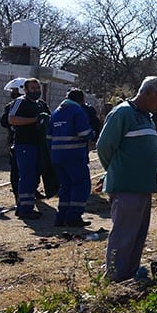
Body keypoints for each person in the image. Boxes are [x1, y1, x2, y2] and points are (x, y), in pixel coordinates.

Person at [96, 76, 157, 281]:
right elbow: (104, 147)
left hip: (143, 186)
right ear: (146, 92)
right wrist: (114, 171)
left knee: (138, 233)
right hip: (126, 186)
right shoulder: (123, 113)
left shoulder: (147, 116)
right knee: (124, 233)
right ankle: (115, 277)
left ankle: (130, 273)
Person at [47, 89, 94, 227]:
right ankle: (74, 216)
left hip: (57, 155)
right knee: (81, 185)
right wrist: (92, 134)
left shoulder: (55, 113)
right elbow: (84, 132)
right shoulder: (77, 111)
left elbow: (48, 137)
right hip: (73, 154)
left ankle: (61, 217)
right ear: (82, 100)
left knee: (65, 186)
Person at [7, 78, 50, 219]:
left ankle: (28, 205)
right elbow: (12, 120)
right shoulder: (21, 102)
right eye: (33, 88)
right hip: (24, 145)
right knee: (26, 177)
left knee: (34, 177)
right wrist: (34, 120)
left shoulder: (41, 104)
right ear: (25, 90)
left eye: (38, 88)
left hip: (39, 145)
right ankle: (24, 208)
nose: (36, 91)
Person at [0, 86, 21, 198]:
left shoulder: (37, 105)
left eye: (16, 91)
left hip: (33, 141)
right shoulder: (10, 106)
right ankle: (17, 191)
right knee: (15, 167)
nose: (14, 94)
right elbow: (4, 122)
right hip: (15, 140)